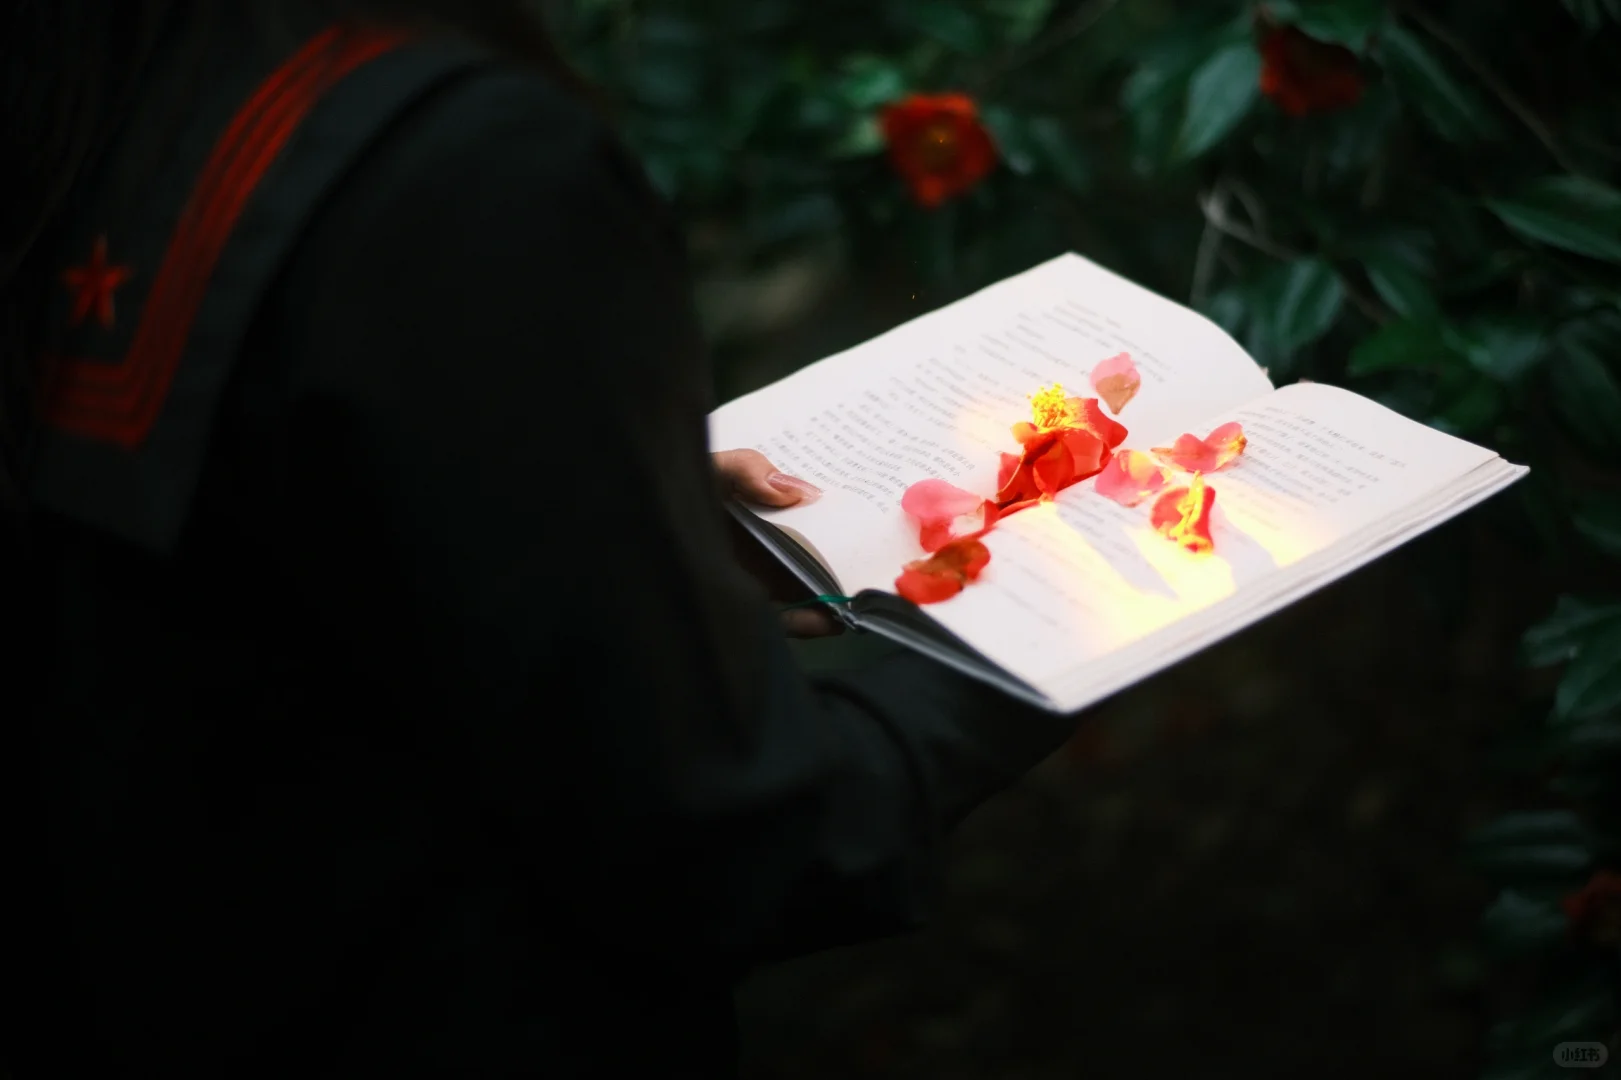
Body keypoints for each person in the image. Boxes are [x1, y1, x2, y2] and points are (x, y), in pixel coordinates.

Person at [1, 2, 1084, 1075]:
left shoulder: (131, 87)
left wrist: (578, 502)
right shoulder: (456, 169)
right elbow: (729, 841)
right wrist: (1063, 621)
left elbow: (240, 543)